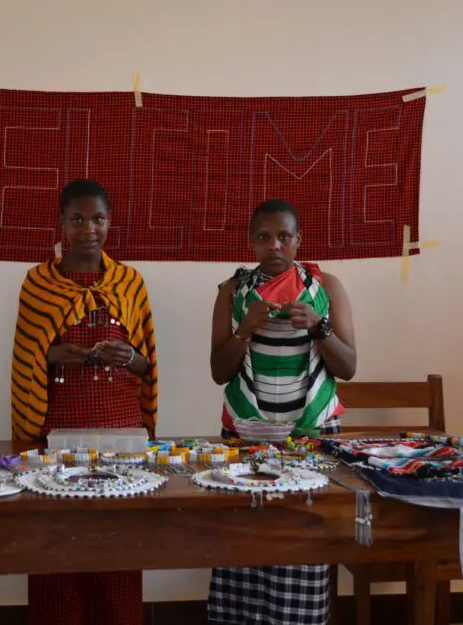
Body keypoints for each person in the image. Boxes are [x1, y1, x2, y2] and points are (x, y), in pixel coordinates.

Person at [10, 179, 158, 625]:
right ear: (61, 224)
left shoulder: (130, 282)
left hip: (122, 436)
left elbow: (147, 368)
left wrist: (129, 356)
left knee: (118, 549)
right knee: (57, 548)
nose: (88, 229)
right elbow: (25, 360)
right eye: (77, 219)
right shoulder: (38, 283)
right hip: (56, 435)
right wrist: (53, 353)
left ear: (110, 223)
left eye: (98, 219)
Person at [207, 199, 357, 625]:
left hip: (312, 440)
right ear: (251, 242)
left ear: (298, 241)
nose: (275, 245)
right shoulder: (231, 292)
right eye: (264, 237)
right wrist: (245, 329)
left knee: (302, 547)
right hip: (245, 438)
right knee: (243, 548)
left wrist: (318, 326)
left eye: (284, 237)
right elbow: (220, 371)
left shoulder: (326, 287)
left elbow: (347, 366)